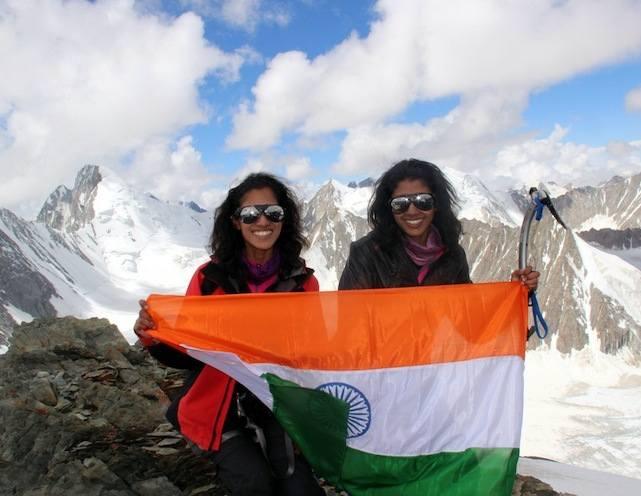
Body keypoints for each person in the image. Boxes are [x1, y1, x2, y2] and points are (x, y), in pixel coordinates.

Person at [134, 173, 325, 496]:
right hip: (220, 407)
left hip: (277, 404)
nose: (262, 221)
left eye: (273, 213)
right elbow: (188, 351)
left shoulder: (303, 282)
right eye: (251, 214)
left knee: (300, 491)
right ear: (236, 222)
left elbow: (309, 352)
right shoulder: (210, 279)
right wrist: (152, 334)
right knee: (254, 485)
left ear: (284, 219)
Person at [339, 158, 539, 292]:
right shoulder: (366, 254)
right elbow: (351, 322)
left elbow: (469, 315)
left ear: (436, 205)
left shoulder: (453, 255)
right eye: (400, 204)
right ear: (389, 209)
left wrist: (513, 291)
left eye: (423, 201)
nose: (412, 211)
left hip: (439, 354)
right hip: (387, 356)